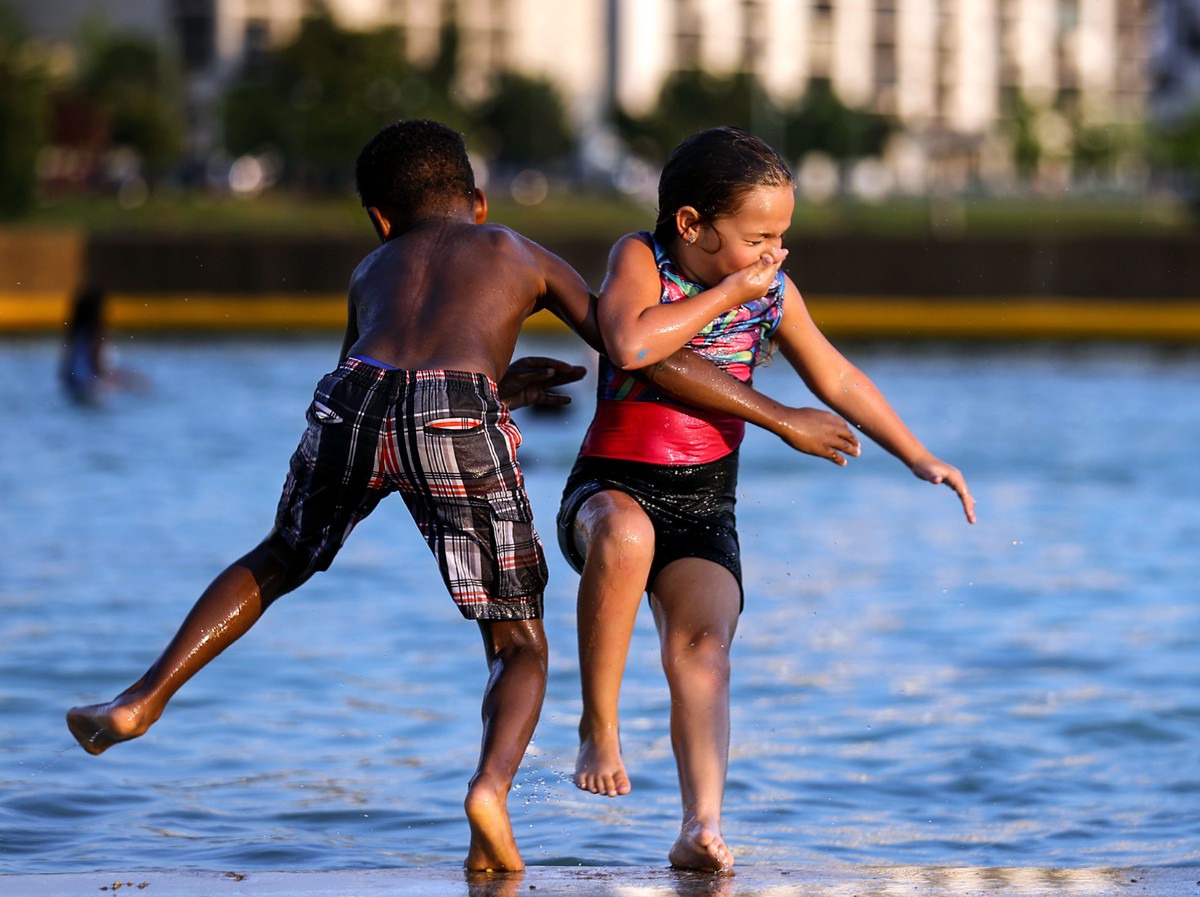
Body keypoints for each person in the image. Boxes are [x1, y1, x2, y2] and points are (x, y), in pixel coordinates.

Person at [64, 120, 854, 873]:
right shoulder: (515, 248)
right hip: (456, 415)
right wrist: (780, 415)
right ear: (478, 203)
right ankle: (489, 791)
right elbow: (636, 349)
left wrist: (492, 388)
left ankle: (141, 698)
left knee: (280, 553)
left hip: (354, 396)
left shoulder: (370, 269)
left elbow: (379, 390)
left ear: (381, 219)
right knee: (519, 645)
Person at [556, 126, 976, 873]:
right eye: (758, 235)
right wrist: (730, 292)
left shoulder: (772, 290)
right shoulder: (640, 259)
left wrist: (918, 454)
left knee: (706, 649)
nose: (773, 253)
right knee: (624, 539)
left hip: (705, 502)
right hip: (613, 484)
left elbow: (836, 376)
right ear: (692, 224)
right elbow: (630, 344)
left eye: (782, 235)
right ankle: (600, 723)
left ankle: (701, 824)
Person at [60, 285, 148, 405]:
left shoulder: (74, 335)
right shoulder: (95, 335)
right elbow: (99, 370)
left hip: (73, 391)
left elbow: (67, 374)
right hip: (93, 391)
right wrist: (126, 380)